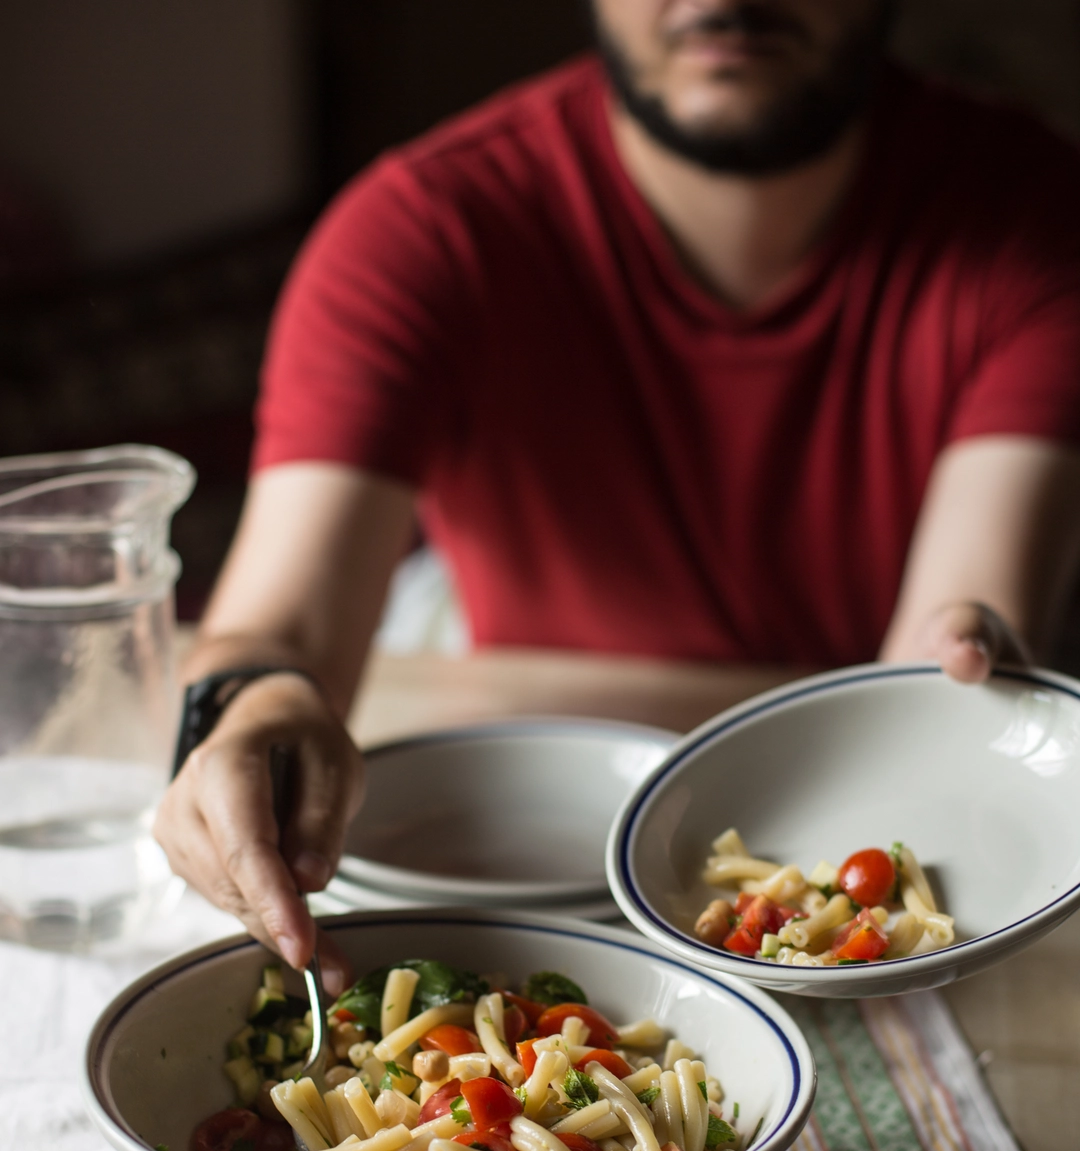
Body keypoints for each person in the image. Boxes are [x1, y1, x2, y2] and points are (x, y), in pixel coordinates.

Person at [155, 0, 1080, 985]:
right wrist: (256, 712)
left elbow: (945, 651)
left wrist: (961, 663)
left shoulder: (1041, 220)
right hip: (515, 854)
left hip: (858, 831)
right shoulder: (419, 230)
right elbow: (281, 630)